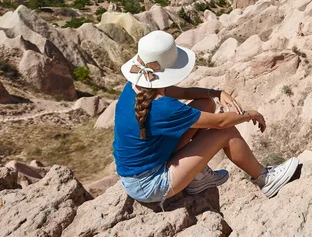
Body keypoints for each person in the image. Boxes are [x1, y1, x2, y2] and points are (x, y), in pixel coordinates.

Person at [113, 30, 299, 208]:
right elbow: (221, 123)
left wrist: (216, 93)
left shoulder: (137, 87)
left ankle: (197, 176)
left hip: (140, 171)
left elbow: (185, 92)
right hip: (150, 185)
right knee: (225, 133)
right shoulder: (164, 108)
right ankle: (265, 179)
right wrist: (251, 114)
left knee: (206, 104)